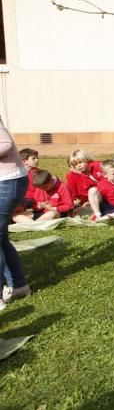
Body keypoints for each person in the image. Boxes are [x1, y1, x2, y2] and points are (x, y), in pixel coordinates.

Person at [0, 115, 31, 309]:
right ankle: (18, 286)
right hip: (6, 180)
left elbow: (5, 143)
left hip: (8, 180)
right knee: (1, 238)